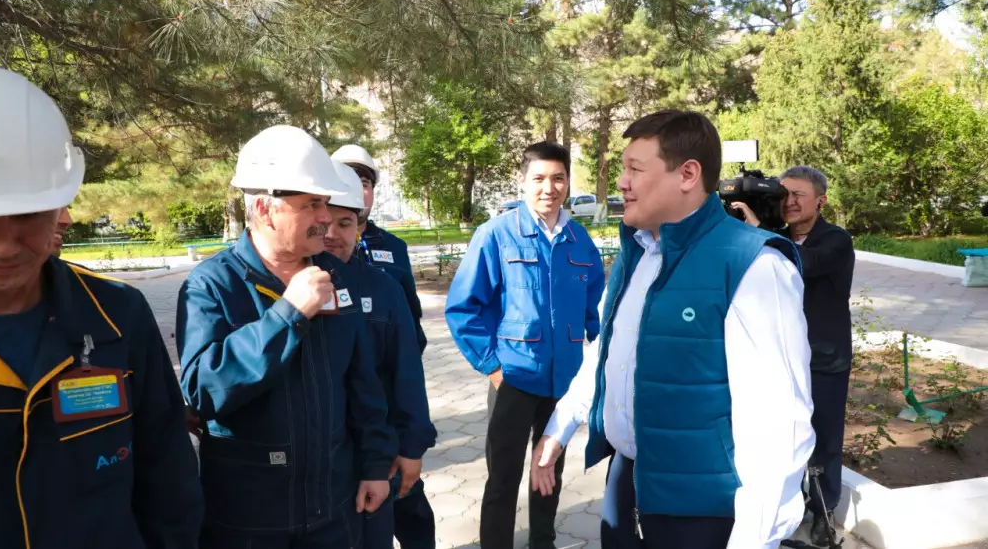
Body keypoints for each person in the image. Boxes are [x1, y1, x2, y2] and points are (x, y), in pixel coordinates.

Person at [531, 110, 816, 549]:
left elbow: (780, 420)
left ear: (687, 175)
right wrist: (560, 427)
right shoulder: (637, 253)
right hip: (628, 484)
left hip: (702, 507)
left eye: (634, 169)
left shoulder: (754, 265)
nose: (621, 182)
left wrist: (756, 537)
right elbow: (609, 353)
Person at [0, 65, 203, 548]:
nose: (2, 245)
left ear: (61, 208)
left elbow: (168, 477)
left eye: (26, 214)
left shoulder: (117, 315)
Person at [175, 125, 395, 548]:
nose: (325, 217)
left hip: (331, 507)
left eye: (325, 203)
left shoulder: (336, 277)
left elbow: (362, 382)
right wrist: (288, 313)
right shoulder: (212, 285)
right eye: (311, 204)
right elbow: (203, 389)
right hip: (250, 516)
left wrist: (374, 465)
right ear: (265, 208)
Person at [445, 141, 605, 549]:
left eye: (558, 178)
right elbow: (463, 308)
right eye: (539, 178)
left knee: (548, 470)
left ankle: (542, 543)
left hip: (563, 383)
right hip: (512, 380)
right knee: (503, 478)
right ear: (523, 182)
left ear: (568, 182)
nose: (548, 188)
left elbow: (594, 309)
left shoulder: (579, 240)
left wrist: (597, 360)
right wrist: (492, 367)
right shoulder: (496, 235)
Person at [731, 166, 855, 545]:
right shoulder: (777, 236)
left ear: (821, 200)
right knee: (782, 436)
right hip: (778, 358)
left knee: (824, 438)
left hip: (823, 359)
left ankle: (823, 509)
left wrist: (758, 231)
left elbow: (806, 263)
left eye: (799, 194)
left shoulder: (836, 240)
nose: (790, 201)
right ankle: (787, 507)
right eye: (784, 194)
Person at [323, 159, 438, 549]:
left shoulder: (382, 289)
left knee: (406, 523)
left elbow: (407, 370)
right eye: (325, 223)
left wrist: (411, 446)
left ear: (359, 227)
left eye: (345, 224)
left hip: (382, 444)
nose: (333, 235)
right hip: (326, 454)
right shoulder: (294, 289)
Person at [332, 144, 427, 353]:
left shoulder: (394, 247)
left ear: (373, 191)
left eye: (364, 183)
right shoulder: (317, 245)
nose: (357, 190)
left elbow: (411, 316)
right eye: (347, 181)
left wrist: (409, 360)